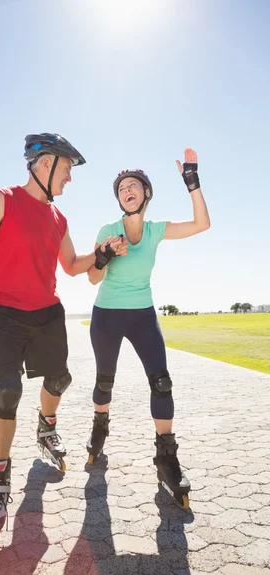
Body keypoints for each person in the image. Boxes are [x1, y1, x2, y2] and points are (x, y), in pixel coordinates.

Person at [0, 133, 125, 554]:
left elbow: (74, 266)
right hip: (5, 314)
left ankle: (47, 428)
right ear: (45, 164)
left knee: (59, 379)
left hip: (47, 314)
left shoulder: (58, 218)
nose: (70, 179)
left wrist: (104, 254)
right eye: (68, 169)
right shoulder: (3, 200)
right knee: (8, 391)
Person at [86, 148, 210, 509]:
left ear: (145, 194)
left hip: (142, 315)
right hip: (106, 315)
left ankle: (167, 459)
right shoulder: (107, 230)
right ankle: (99, 427)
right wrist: (104, 256)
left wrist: (192, 181)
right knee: (104, 382)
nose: (127, 189)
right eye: (122, 186)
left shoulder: (156, 230)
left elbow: (202, 224)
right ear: (119, 197)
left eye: (133, 185)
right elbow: (93, 278)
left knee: (162, 381)